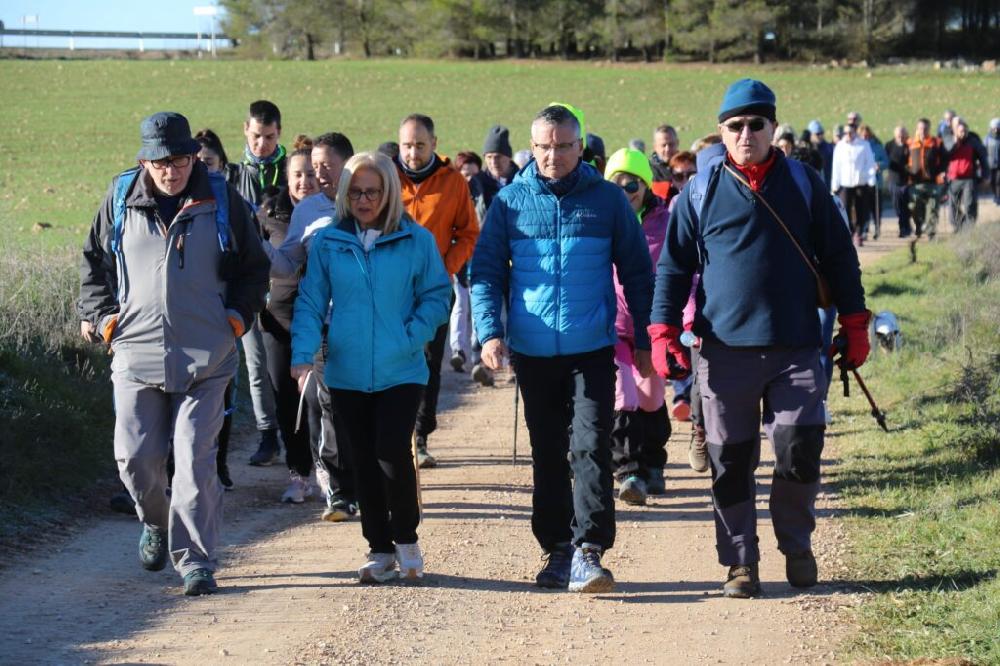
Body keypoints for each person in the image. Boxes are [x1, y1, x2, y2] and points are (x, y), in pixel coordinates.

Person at [649, 79, 868, 599]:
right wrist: (662, 332)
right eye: (735, 126)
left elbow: (839, 256)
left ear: (772, 125)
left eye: (756, 124)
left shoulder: (804, 184)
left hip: (796, 346)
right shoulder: (697, 193)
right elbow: (673, 269)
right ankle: (740, 563)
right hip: (723, 352)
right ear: (721, 131)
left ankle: (796, 543)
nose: (746, 134)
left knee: (799, 449)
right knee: (730, 461)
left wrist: (854, 323)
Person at [78, 112, 270, 595]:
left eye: (180, 160)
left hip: (208, 356)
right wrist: (103, 319)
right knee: (136, 459)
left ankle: (196, 562)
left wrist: (236, 319)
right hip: (136, 353)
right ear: (144, 161)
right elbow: (93, 263)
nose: (172, 170)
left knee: (193, 457)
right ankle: (155, 521)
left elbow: (254, 268)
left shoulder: (222, 198)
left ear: (190, 156)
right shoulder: (121, 197)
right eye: (161, 162)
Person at [471, 104, 654, 593]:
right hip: (533, 351)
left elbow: (638, 273)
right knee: (548, 452)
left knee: (591, 446)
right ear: (532, 149)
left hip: (592, 346)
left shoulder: (608, 201)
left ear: (580, 148)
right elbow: (485, 272)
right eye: (544, 146)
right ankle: (556, 549)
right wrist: (489, 332)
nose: (554, 155)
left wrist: (642, 339)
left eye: (564, 146)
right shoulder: (509, 203)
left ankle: (589, 552)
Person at [290, 151, 451, 583]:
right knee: (362, 459)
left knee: (392, 452)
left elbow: (438, 295)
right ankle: (379, 550)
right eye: (356, 192)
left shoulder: (415, 240)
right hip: (346, 369)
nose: (364, 200)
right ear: (345, 194)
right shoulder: (328, 241)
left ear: (388, 193)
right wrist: (302, 354)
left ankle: (406, 540)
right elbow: (309, 300)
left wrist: (410, 335)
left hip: (401, 368)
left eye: (373, 192)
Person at [266, 130, 359, 522]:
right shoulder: (305, 211)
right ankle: (338, 491)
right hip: (323, 323)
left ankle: (363, 481)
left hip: (365, 323)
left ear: (347, 166)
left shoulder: (368, 201)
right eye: (314, 166)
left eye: (327, 166)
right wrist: (261, 252)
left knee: (359, 408)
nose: (319, 174)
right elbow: (288, 261)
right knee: (326, 404)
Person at [396, 113, 480, 468]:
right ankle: (392, 434)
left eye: (419, 145)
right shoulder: (386, 177)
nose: (412, 153)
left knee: (428, 361)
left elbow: (468, 233)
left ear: (434, 144)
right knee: (393, 358)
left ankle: (420, 436)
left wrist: (445, 268)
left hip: (433, 290)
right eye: (406, 145)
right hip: (389, 288)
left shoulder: (453, 183)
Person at [603, 148, 672, 507]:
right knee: (622, 395)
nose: (626, 189)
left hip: (650, 327)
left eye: (634, 183)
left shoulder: (665, 222)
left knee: (651, 397)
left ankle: (652, 464)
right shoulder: (601, 219)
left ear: (646, 186)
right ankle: (626, 470)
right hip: (611, 326)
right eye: (617, 183)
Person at [257, 139, 324, 504]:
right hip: (278, 320)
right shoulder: (270, 214)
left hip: (319, 321)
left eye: (311, 174)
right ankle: (298, 474)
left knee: (317, 398)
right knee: (285, 399)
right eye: (297, 174)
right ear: (287, 177)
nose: (305, 181)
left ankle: (325, 467)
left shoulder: (331, 213)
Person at [227, 100, 285, 466]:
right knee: (255, 363)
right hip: (247, 282)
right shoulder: (233, 176)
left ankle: (297, 431)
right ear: (245, 130)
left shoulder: (294, 171)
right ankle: (267, 435)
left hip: (285, 282)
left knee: (286, 362)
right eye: (256, 135)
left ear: (280, 133)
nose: (262, 143)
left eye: (269, 136)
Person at [831, 121, 877, 246]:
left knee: (861, 209)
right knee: (844, 208)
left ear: (855, 132)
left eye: (850, 132)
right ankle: (850, 232)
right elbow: (836, 166)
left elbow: (870, 163)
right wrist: (834, 184)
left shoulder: (864, 145)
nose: (848, 135)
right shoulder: (840, 146)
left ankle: (859, 232)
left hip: (860, 182)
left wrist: (871, 178)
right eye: (845, 132)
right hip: (845, 183)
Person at [944, 117, 989, 231]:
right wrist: (955, 142)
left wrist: (985, 175)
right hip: (953, 179)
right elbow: (946, 153)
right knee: (953, 207)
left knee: (969, 204)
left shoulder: (973, 141)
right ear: (954, 130)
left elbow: (983, 157)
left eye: (964, 131)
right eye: (960, 131)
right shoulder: (949, 139)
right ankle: (959, 226)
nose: (962, 134)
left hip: (969, 178)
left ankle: (969, 229)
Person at [907, 118, 945, 239]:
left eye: (925, 128)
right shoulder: (911, 143)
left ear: (929, 129)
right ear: (917, 129)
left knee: (933, 207)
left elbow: (944, 160)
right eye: (920, 128)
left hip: (933, 182)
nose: (923, 130)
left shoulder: (936, 142)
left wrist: (941, 173)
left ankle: (931, 232)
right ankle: (919, 225)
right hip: (916, 183)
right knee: (915, 206)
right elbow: (904, 161)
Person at [858, 124, 889, 240]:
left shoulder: (877, 146)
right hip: (862, 182)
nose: (865, 137)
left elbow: (886, 161)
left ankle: (877, 228)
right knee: (864, 207)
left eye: (867, 135)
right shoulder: (858, 146)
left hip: (876, 182)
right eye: (863, 135)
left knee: (876, 207)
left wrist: (879, 165)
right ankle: (864, 229)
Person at [884, 125, 912, 237]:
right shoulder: (889, 145)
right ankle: (904, 225)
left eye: (902, 135)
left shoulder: (909, 145)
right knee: (897, 205)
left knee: (905, 205)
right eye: (898, 135)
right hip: (893, 180)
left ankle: (905, 228)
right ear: (895, 135)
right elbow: (885, 160)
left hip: (906, 180)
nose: (900, 137)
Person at [650, 124, 680, 200]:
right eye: (663, 145)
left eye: (671, 144)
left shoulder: (687, 167)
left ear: (677, 143)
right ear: (655, 146)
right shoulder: (648, 170)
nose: (667, 149)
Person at [807, 120, 834, 188]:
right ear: (810, 135)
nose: (820, 136)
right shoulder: (806, 150)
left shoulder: (829, 148)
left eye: (822, 133)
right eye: (817, 134)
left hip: (827, 185)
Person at [987, 118, 1000, 205]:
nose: (996, 130)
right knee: (992, 181)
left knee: (998, 181)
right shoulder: (987, 139)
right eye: (994, 128)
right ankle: (995, 196)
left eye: (997, 128)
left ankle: (998, 198)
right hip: (990, 165)